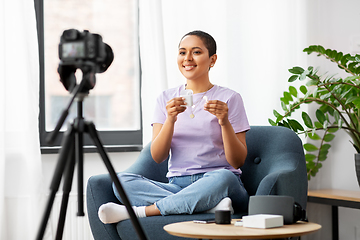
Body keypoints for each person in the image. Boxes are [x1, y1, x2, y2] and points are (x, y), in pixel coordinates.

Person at [98, 30, 250, 224]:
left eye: (196, 52)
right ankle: (208, 206)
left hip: (218, 182)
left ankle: (144, 211)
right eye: (182, 52)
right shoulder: (165, 99)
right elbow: (158, 156)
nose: (187, 58)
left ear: (212, 60)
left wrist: (224, 122)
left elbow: (237, 161)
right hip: (177, 186)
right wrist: (170, 119)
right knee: (121, 181)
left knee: (224, 177)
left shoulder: (230, 98)